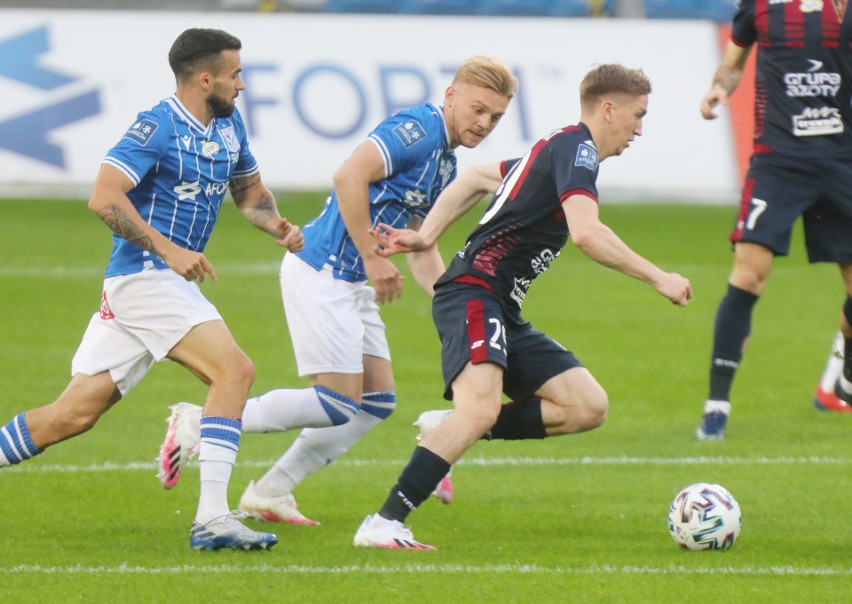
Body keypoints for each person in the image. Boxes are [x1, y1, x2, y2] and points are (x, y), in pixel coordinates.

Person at [156, 56, 518, 524]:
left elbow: (418, 243)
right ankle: (200, 422)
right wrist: (371, 257)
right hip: (321, 269)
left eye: (496, 117)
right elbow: (348, 175)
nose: (485, 124)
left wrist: (457, 299)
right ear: (450, 97)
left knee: (375, 403)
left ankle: (270, 491)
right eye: (477, 110)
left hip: (346, 280)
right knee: (335, 401)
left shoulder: (445, 164)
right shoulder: (417, 129)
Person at [351, 63, 693, 550]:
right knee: (480, 410)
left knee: (586, 406)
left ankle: (446, 429)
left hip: (500, 305)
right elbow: (587, 233)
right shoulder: (576, 150)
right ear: (608, 108)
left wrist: (426, 235)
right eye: (638, 115)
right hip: (473, 291)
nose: (640, 128)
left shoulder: (558, 148)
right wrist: (658, 276)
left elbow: (473, 179)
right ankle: (383, 523)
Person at [0, 28, 304, 551]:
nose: (243, 85)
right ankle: (212, 518)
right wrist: (169, 250)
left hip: (155, 285)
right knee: (235, 371)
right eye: (235, 75)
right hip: (146, 277)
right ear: (205, 77)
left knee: (72, 415)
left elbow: (250, 193)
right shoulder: (156, 127)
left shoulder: (229, 131)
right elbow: (103, 198)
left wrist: (277, 225)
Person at [695, 0, 852, 440]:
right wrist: (718, 88)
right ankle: (716, 407)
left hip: (841, 158)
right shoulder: (758, 7)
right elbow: (732, 65)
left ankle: (841, 376)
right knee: (748, 275)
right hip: (778, 163)